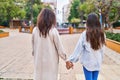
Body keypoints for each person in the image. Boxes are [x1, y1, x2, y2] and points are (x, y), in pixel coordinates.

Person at [66, 13, 106, 80]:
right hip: (97, 62)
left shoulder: (85, 34)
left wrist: (71, 60)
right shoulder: (102, 34)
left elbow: (78, 49)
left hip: (88, 62)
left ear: (88, 23)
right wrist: (100, 60)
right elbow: (102, 50)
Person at [32, 8, 66, 80]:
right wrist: (66, 59)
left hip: (38, 62)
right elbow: (60, 48)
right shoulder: (53, 31)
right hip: (51, 63)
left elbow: (33, 48)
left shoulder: (35, 30)